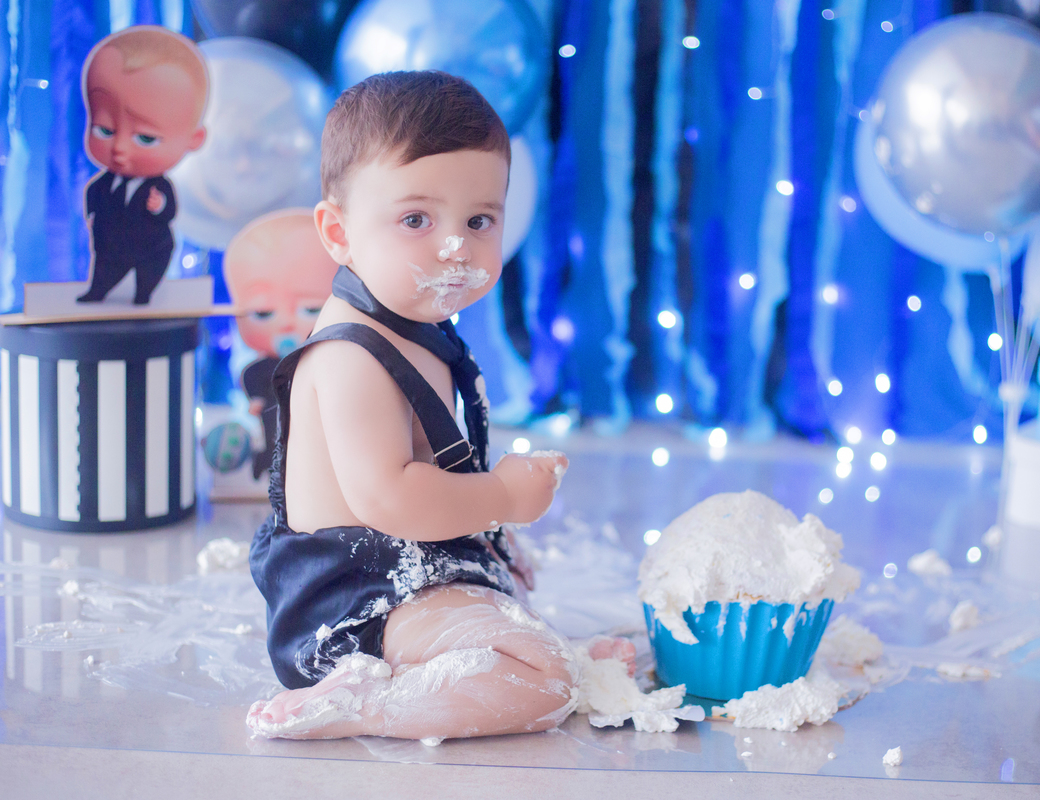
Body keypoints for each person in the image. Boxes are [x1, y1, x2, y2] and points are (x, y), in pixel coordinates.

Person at [246, 71, 633, 741]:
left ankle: (475, 646)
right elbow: (390, 499)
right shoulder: (348, 358)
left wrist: (488, 541)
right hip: (350, 603)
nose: (454, 247)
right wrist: (502, 499)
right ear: (337, 232)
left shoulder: (417, 323)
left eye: (478, 220)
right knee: (542, 682)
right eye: (416, 219)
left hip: (408, 570)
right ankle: (361, 700)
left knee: (518, 621)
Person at [77, 26, 208, 304]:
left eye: (146, 137)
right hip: (109, 245)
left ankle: (143, 294)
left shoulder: (160, 188)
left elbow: (168, 211)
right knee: (103, 273)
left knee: (149, 273)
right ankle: (97, 290)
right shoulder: (104, 182)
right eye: (105, 130)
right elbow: (95, 193)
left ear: (193, 139)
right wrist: (90, 213)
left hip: (149, 247)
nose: (120, 148)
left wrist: (160, 206)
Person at [225, 210, 340, 479]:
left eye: (310, 308)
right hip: (272, 416)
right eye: (264, 313)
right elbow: (252, 377)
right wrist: (255, 399)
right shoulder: (260, 369)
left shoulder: (330, 360)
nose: (286, 324)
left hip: (322, 437)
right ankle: (268, 466)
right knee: (273, 441)